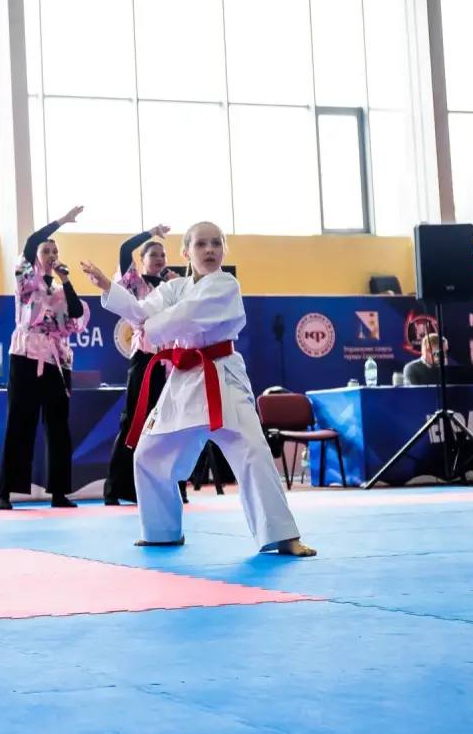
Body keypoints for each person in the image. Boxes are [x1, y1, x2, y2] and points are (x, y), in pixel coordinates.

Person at [80, 222, 316, 556]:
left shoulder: (225, 284)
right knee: (149, 453)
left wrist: (150, 327)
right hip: (185, 380)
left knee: (253, 451)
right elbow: (142, 311)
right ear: (185, 253)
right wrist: (108, 286)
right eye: (201, 244)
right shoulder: (174, 289)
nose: (210, 250)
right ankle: (161, 531)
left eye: (216, 243)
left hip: (222, 377)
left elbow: (187, 316)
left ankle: (282, 536)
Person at [0, 207, 88, 510]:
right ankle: (5, 492)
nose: (50, 255)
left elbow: (76, 314)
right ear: (35, 256)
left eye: (54, 251)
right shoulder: (27, 281)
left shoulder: (61, 290)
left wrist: (67, 280)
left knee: (58, 426)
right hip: (26, 355)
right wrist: (61, 221)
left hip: (57, 361)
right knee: (19, 422)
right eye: (45, 250)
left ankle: (59, 492)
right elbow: (32, 240)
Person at [104, 225, 178, 506]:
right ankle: (115, 488)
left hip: (170, 362)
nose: (159, 259)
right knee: (134, 419)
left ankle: (165, 487)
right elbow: (124, 249)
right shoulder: (135, 284)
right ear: (143, 260)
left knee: (167, 422)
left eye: (163, 255)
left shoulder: (171, 288)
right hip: (145, 358)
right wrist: (151, 232)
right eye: (153, 254)